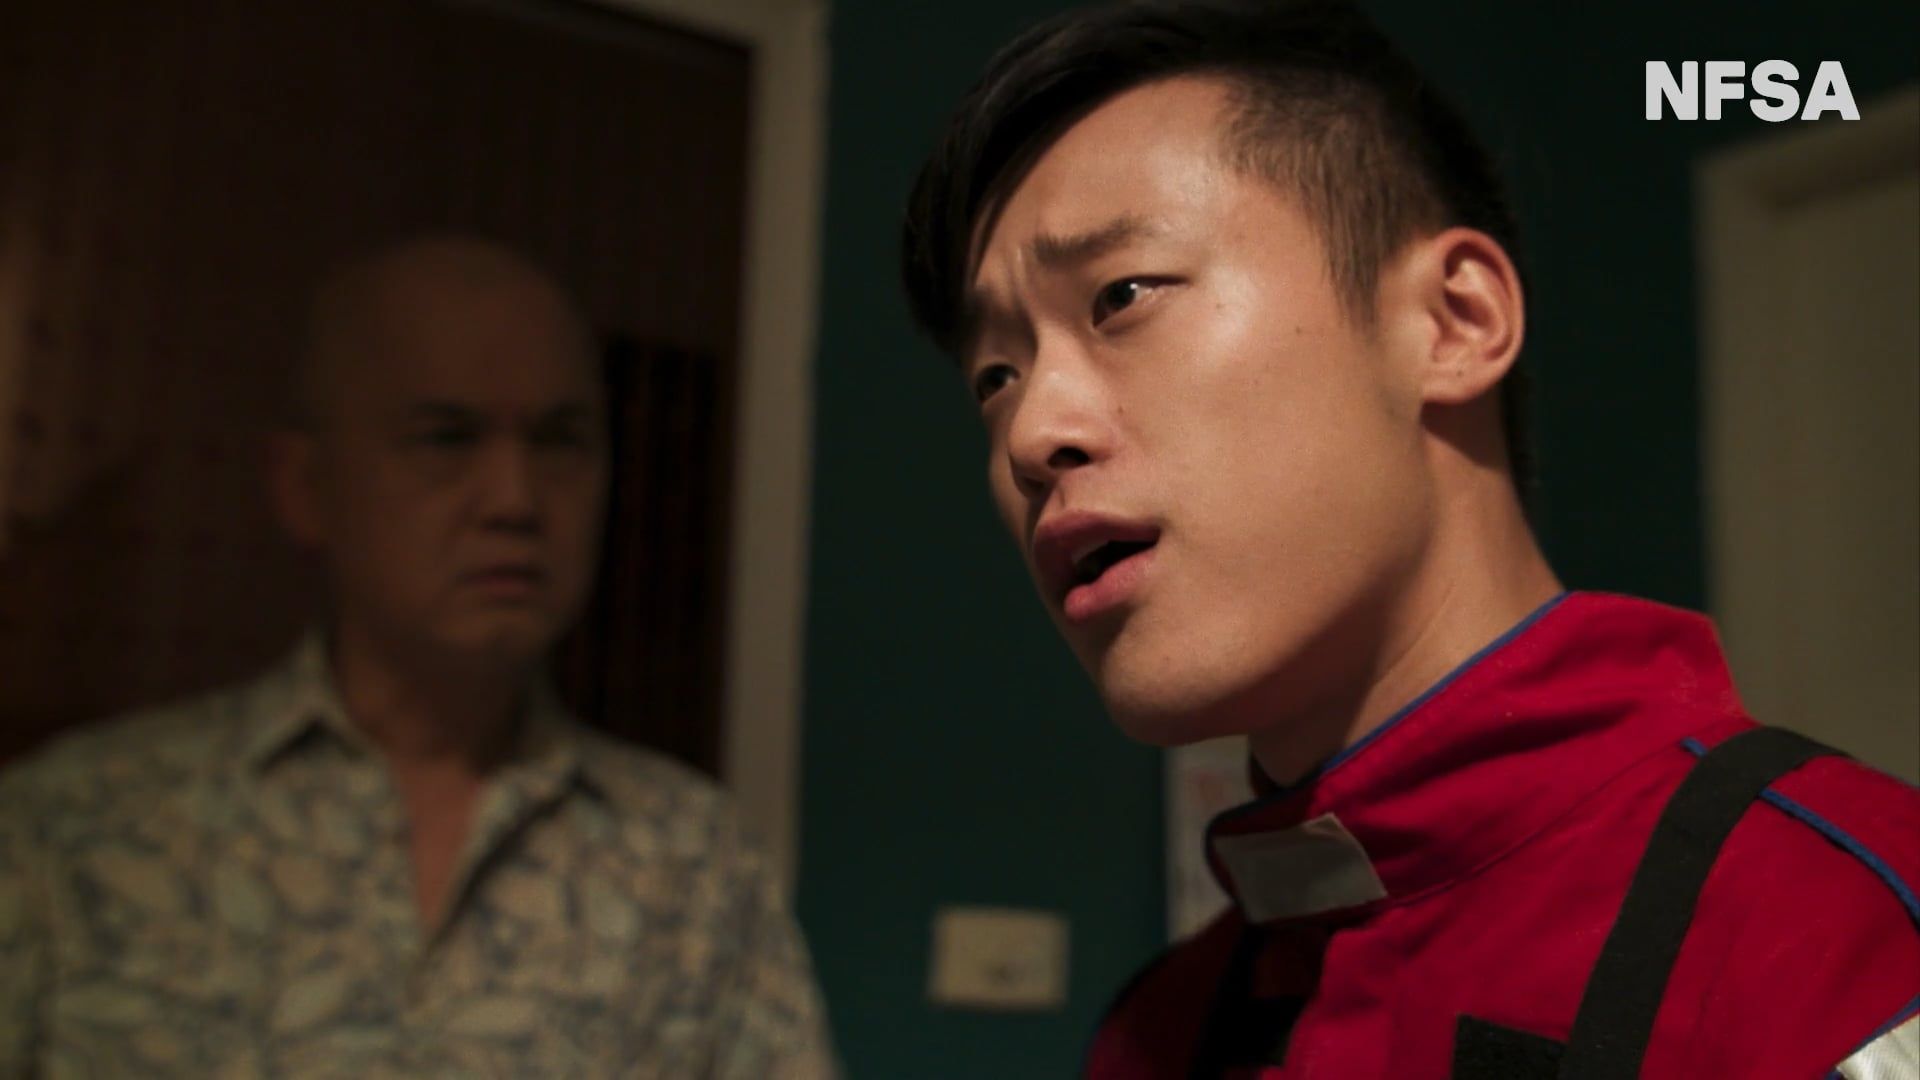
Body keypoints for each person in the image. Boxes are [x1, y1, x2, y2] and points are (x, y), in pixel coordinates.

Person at [899, 2, 1918, 1077]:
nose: (1032, 432)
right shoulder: (1156, 1033)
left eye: (1122, 296)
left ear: (1453, 323)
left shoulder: (1843, 940)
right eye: (995, 377)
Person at [0, 236, 836, 1078]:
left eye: (560, 440)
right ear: (305, 485)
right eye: (445, 438)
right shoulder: (75, 833)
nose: (513, 499)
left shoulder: (694, 870)